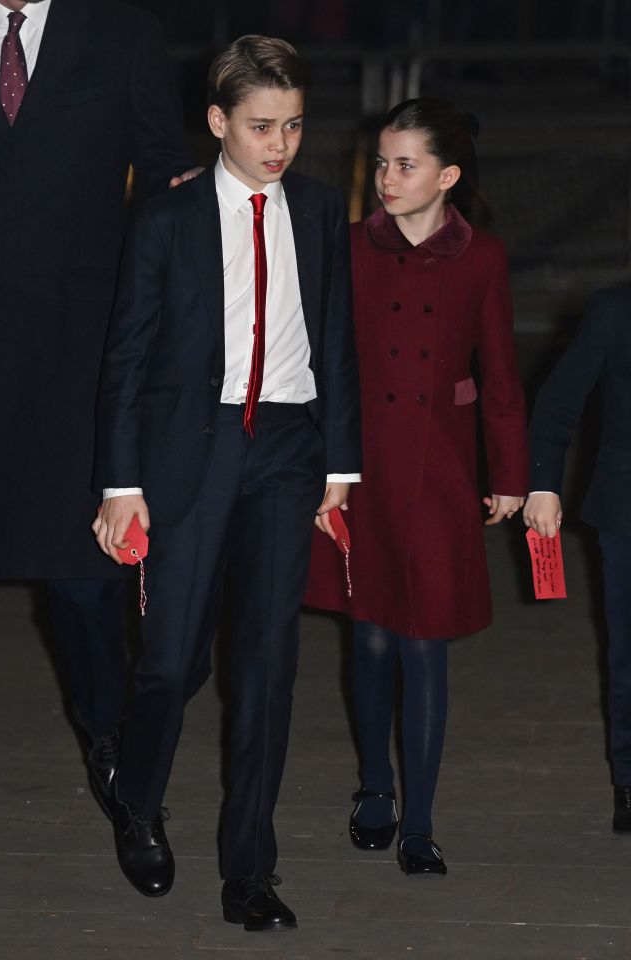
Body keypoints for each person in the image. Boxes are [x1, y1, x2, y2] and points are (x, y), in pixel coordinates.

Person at [92, 35, 361, 929]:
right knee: (168, 660)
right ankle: (138, 797)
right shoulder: (166, 219)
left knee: (269, 666)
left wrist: (340, 463)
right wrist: (119, 482)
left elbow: (338, 341)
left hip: (286, 447)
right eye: (259, 127)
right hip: (190, 448)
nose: (278, 144)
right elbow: (125, 358)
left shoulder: (322, 212)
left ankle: (250, 868)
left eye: (290, 126)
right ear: (217, 123)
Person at [306, 97, 529, 876]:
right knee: (370, 636)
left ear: (448, 175)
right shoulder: (348, 249)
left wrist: (510, 473)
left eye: (406, 164)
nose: (388, 177)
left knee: (424, 643)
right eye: (382, 163)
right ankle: (375, 787)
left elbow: (499, 373)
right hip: (358, 468)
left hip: (438, 472)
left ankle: (421, 823)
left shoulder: (483, 258)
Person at [0, 0, 196, 812]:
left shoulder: (119, 30)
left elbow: (163, 173)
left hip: (77, 348)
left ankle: (117, 758)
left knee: (85, 577)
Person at [523, 284, 631, 833]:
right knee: (629, 656)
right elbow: (558, 401)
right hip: (626, 511)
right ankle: (630, 779)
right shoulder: (615, 311)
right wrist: (543, 484)